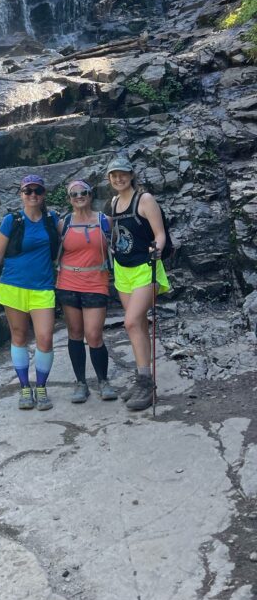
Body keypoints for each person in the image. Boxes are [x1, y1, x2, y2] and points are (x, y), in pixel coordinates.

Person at [0, 175, 59, 411]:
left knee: (45, 338)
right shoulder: (11, 220)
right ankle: (25, 387)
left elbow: (67, 244)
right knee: (19, 336)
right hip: (13, 285)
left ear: (44, 194)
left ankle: (41, 386)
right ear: (21, 194)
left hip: (43, 287)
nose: (32, 195)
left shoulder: (51, 219)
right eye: (28, 191)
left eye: (37, 191)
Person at [107, 156, 171, 411]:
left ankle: (147, 386)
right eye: (113, 175)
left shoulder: (144, 200)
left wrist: (158, 248)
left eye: (122, 174)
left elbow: (160, 233)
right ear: (109, 179)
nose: (118, 178)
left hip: (147, 268)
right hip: (123, 271)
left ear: (131, 175)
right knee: (139, 325)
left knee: (131, 321)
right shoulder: (113, 203)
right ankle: (143, 377)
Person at [56, 180, 118, 403]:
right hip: (68, 281)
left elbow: (120, 247)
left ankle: (103, 381)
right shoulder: (63, 224)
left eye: (83, 192)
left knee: (94, 334)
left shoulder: (105, 221)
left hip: (96, 281)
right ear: (69, 199)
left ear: (91, 195)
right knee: (74, 333)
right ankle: (81, 383)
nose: (79, 196)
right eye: (74, 194)